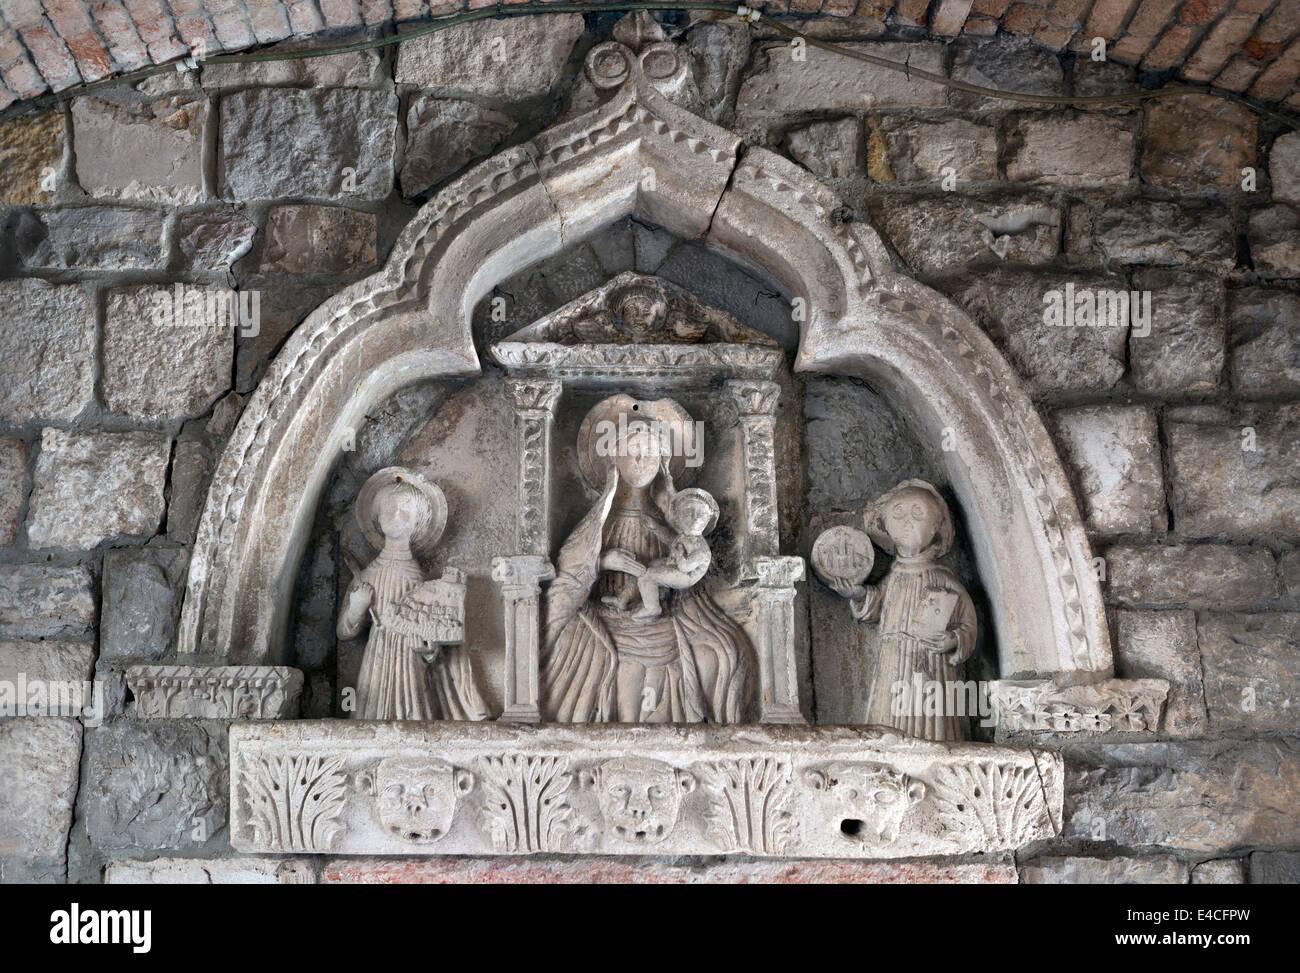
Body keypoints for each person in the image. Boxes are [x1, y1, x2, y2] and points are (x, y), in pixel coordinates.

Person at [541, 395, 752, 724]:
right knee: (568, 645)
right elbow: (570, 571)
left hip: (663, 619)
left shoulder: (671, 521)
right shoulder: (601, 519)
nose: (640, 461)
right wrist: (603, 561)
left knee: (724, 648)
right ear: (615, 460)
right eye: (632, 453)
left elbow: (687, 573)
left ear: (663, 464)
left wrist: (677, 577)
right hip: (604, 613)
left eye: (650, 455)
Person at [827, 479, 977, 741]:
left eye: (918, 514)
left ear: (937, 526)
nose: (907, 521)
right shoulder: (893, 577)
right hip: (893, 659)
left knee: (930, 723)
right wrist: (859, 595)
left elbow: (968, 623)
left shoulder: (944, 580)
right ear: (885, 524)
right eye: (898, 513)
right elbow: (878, 605)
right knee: (889, 722)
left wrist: (952, 639)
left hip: (930, 665)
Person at [338, 467, 488, 721]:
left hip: (410, 664)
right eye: (389, 510)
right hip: (377, 663)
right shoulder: (368, 574)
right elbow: (343, 632)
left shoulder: (417, 579)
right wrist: (356, 608)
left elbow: (433, 637)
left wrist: (429, 646)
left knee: (415, 719)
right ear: (377, 518)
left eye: (405, 511)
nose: (396, 515)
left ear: (418, 522)